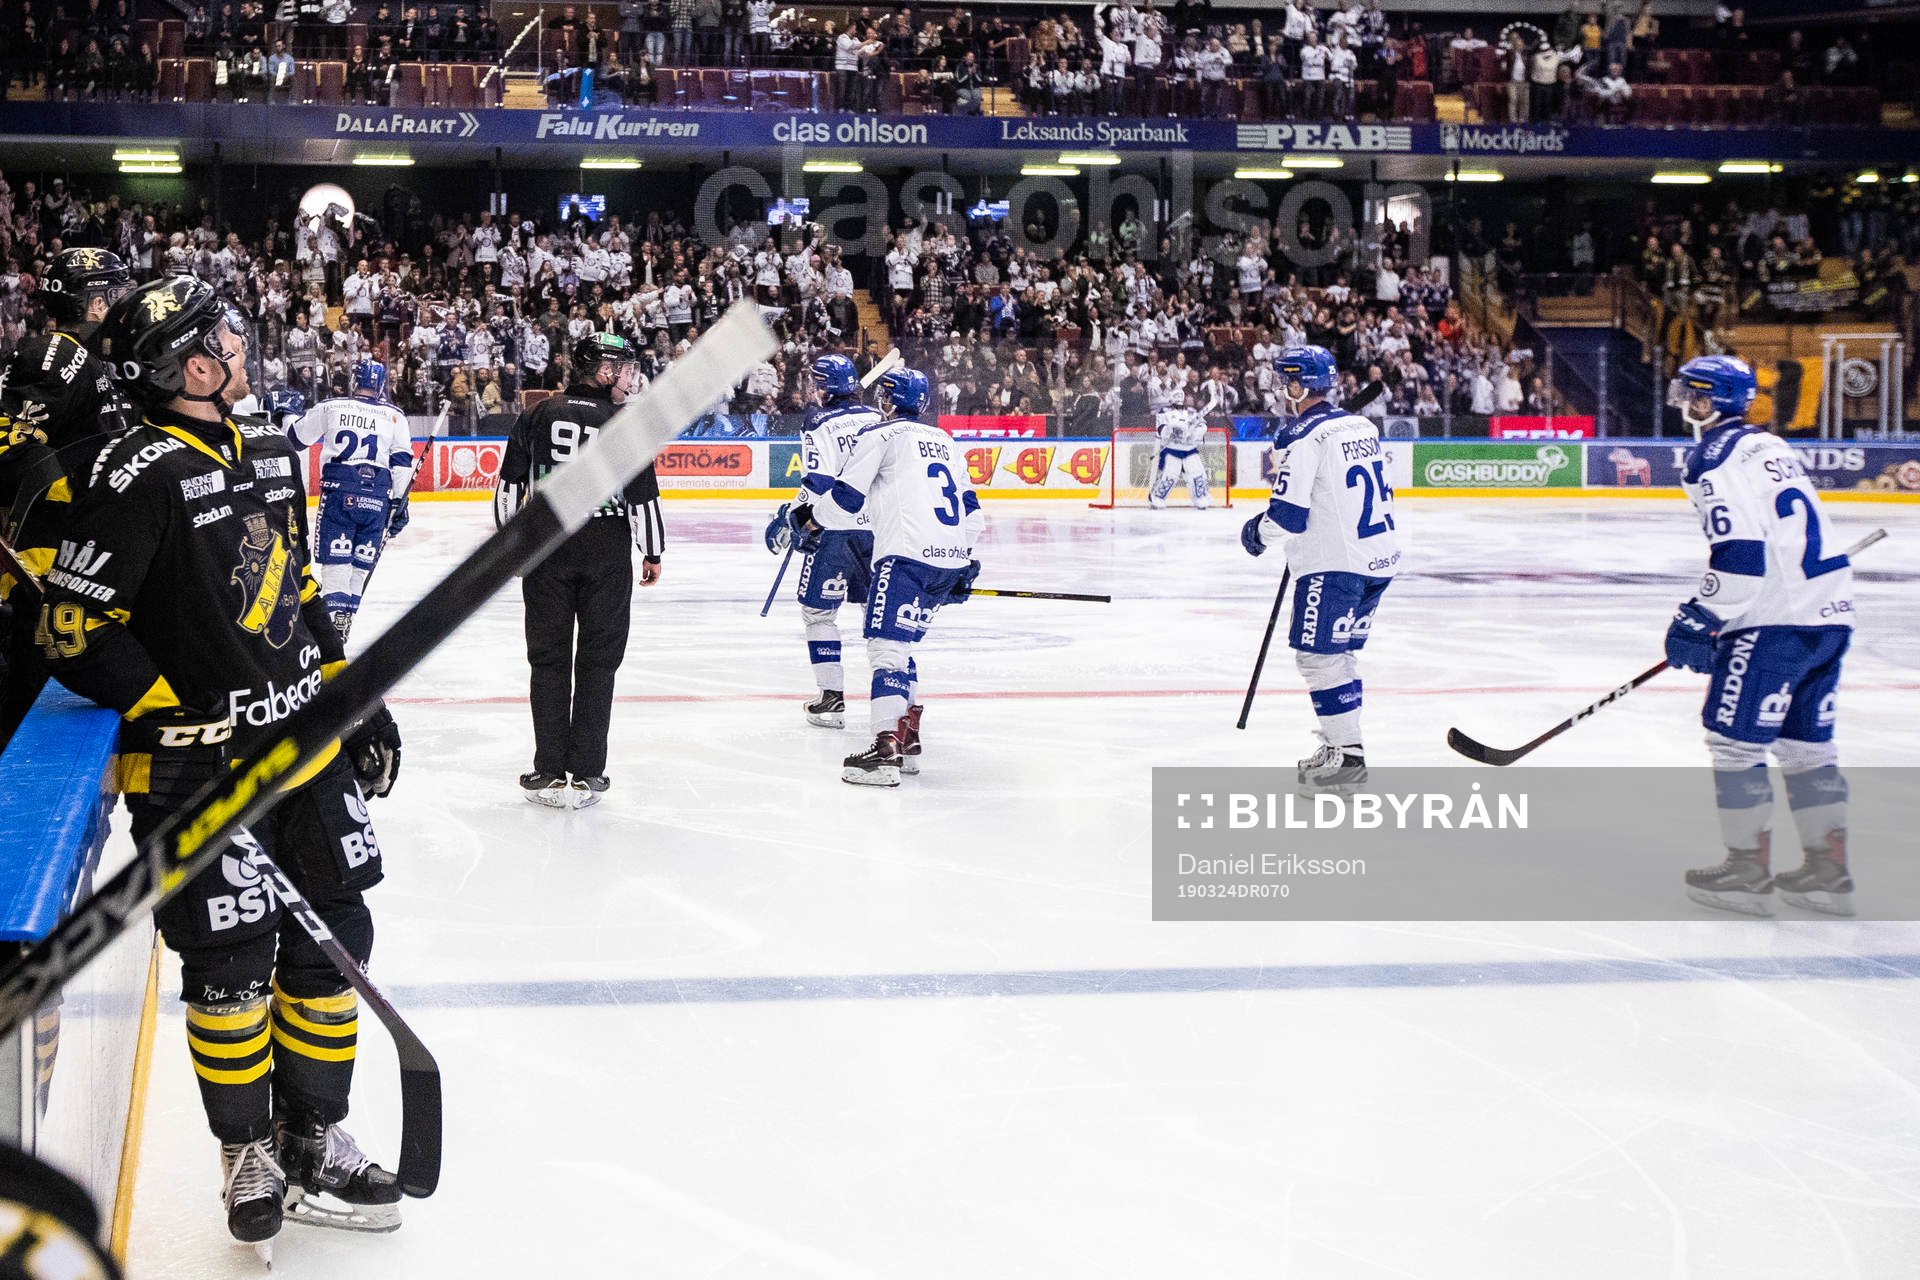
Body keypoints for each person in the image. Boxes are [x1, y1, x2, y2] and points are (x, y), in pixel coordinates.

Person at [39, 276, 403, 1250]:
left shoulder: (273, 449)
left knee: (336, 941)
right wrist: (170, 717)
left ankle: (314, 1134)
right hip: (206, 773)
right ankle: (246, 1149)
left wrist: (351, 692)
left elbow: (300, 581)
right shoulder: (134, 474)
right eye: (226, 337)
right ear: (195, 365)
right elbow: (72, 624)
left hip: (308, 755)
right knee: (230, 966)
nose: (244, 345)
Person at [1663, 355, 1856, 917]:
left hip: (1774, 620)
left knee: (1735, 742)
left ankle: (1746, 869)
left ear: (1712, 400)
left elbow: (1742, 557)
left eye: (1692, 393)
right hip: (1830, 613)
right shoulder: (1770, 445)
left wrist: (1702, 615)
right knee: (1807, 746)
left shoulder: (1713, 456)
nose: (1684, 402)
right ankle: (1828, 871)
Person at [782, 368, 984, 787]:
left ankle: (885, 747)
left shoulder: (879, 436)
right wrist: (962, 560)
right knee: (901, 644)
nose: (881, 401)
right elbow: (973, 513)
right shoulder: (946, 441)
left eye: (885, 395)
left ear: (892, 401)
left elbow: (845, 498)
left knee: (886, 650)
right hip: (946, 558)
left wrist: (809, 519)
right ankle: (908, 739)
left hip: (903, 559)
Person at [495, 332, 665, 809]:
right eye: (621, 367)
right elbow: (643, 497)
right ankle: (588, 773)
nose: (629, 377)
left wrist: (511, 548)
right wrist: (652, 552)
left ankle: (548, 771)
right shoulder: (625, 424)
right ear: (598, 369)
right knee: (599, 662)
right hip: (607, 550)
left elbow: (509, 487)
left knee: (547, 661)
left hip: (547, 544)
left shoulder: (537, 413)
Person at [1238, 345, 1399, 792]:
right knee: (1337, 655)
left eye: (1283, 380)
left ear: (1296, 385)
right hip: (1378, 556)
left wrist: (1256, 534)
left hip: (1336, 566)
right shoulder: (1360, 424)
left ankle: (1348, 758)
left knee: (1319, 657)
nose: (1278, 389)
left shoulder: (1299, 435)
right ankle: (1341, 746)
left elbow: (1288, 516)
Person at [762, 353, 880, 729]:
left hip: (833, 527)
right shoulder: (877, 417)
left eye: (816, 381)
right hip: (878, 529)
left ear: (827, 387)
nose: (812, 388)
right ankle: (900, 708)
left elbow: (818, 482)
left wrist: (791, 515)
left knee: (818, 613)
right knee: (878, 616)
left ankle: (831, 699)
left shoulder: (818, 421)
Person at [285, 358, 415, 640]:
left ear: (354, 382)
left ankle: (334, 630)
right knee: (360, 565)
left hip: (340, 491)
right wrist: (398, 503)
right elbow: (403, 463)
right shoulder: (395, 416)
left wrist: (287, 413)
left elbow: (294, 439)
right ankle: (345, 622)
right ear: (381, 386)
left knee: (336, 565)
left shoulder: (332, 406)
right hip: (378, 497)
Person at [1148, 396, 1211, 509]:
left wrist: (1196, 433)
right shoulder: (1164, 412)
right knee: (1170, 474)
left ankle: (1200, 497)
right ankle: (1157, 497)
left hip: (1190, 449)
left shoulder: (1192, 412)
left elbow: (1203, 425)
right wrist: (1171, 431)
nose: (1179, 399)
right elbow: (1161, 429)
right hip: (1172, 449)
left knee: (1197, 473)